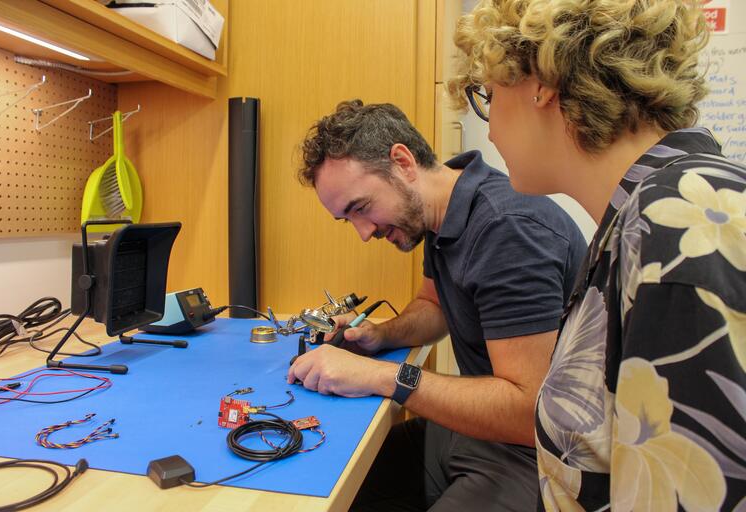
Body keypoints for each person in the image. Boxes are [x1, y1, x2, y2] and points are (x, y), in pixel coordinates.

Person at [448, 0, 746, 510]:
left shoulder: (674, 226)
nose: (490, 129)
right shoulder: (643, 214)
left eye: (488, 97)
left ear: (541, 82)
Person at [288, 99, 587, 511]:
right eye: (347, 219)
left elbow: (527, 412)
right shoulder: (440, 215)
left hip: (537, 455)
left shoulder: (506, 229)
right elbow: (435, 305)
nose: (363, 232)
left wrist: (380, 376)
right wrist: (379, 335)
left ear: (402, 162)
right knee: (334, 481)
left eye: (361, 208)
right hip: (476, 434)